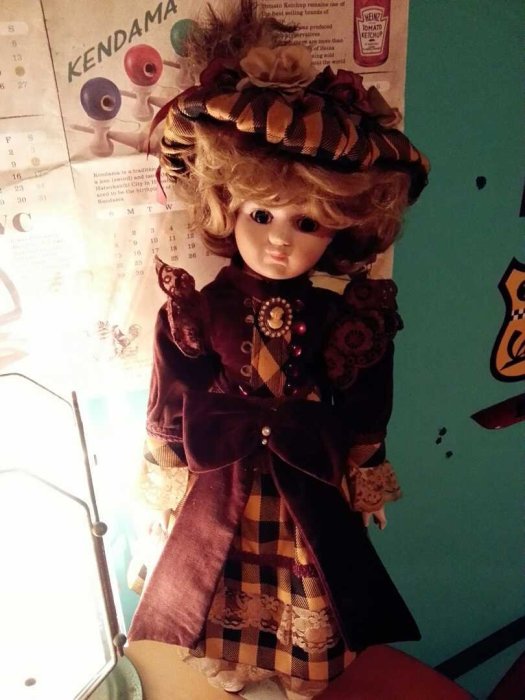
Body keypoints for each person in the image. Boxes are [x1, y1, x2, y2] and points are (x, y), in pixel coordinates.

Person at [127, 2, 429, 698]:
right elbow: (171, 395)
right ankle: (235, 667)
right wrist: (163, 479)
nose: (279, 241)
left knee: (309, 578)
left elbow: (365, 399)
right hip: (220, 476)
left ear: (341, 230)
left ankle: (300, 673)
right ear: (226, 207)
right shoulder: (198, 309)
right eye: (260, 215)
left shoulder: (346, 316)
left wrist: (365, 471)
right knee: (217, 576)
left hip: (307, 476)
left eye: (307, 223)